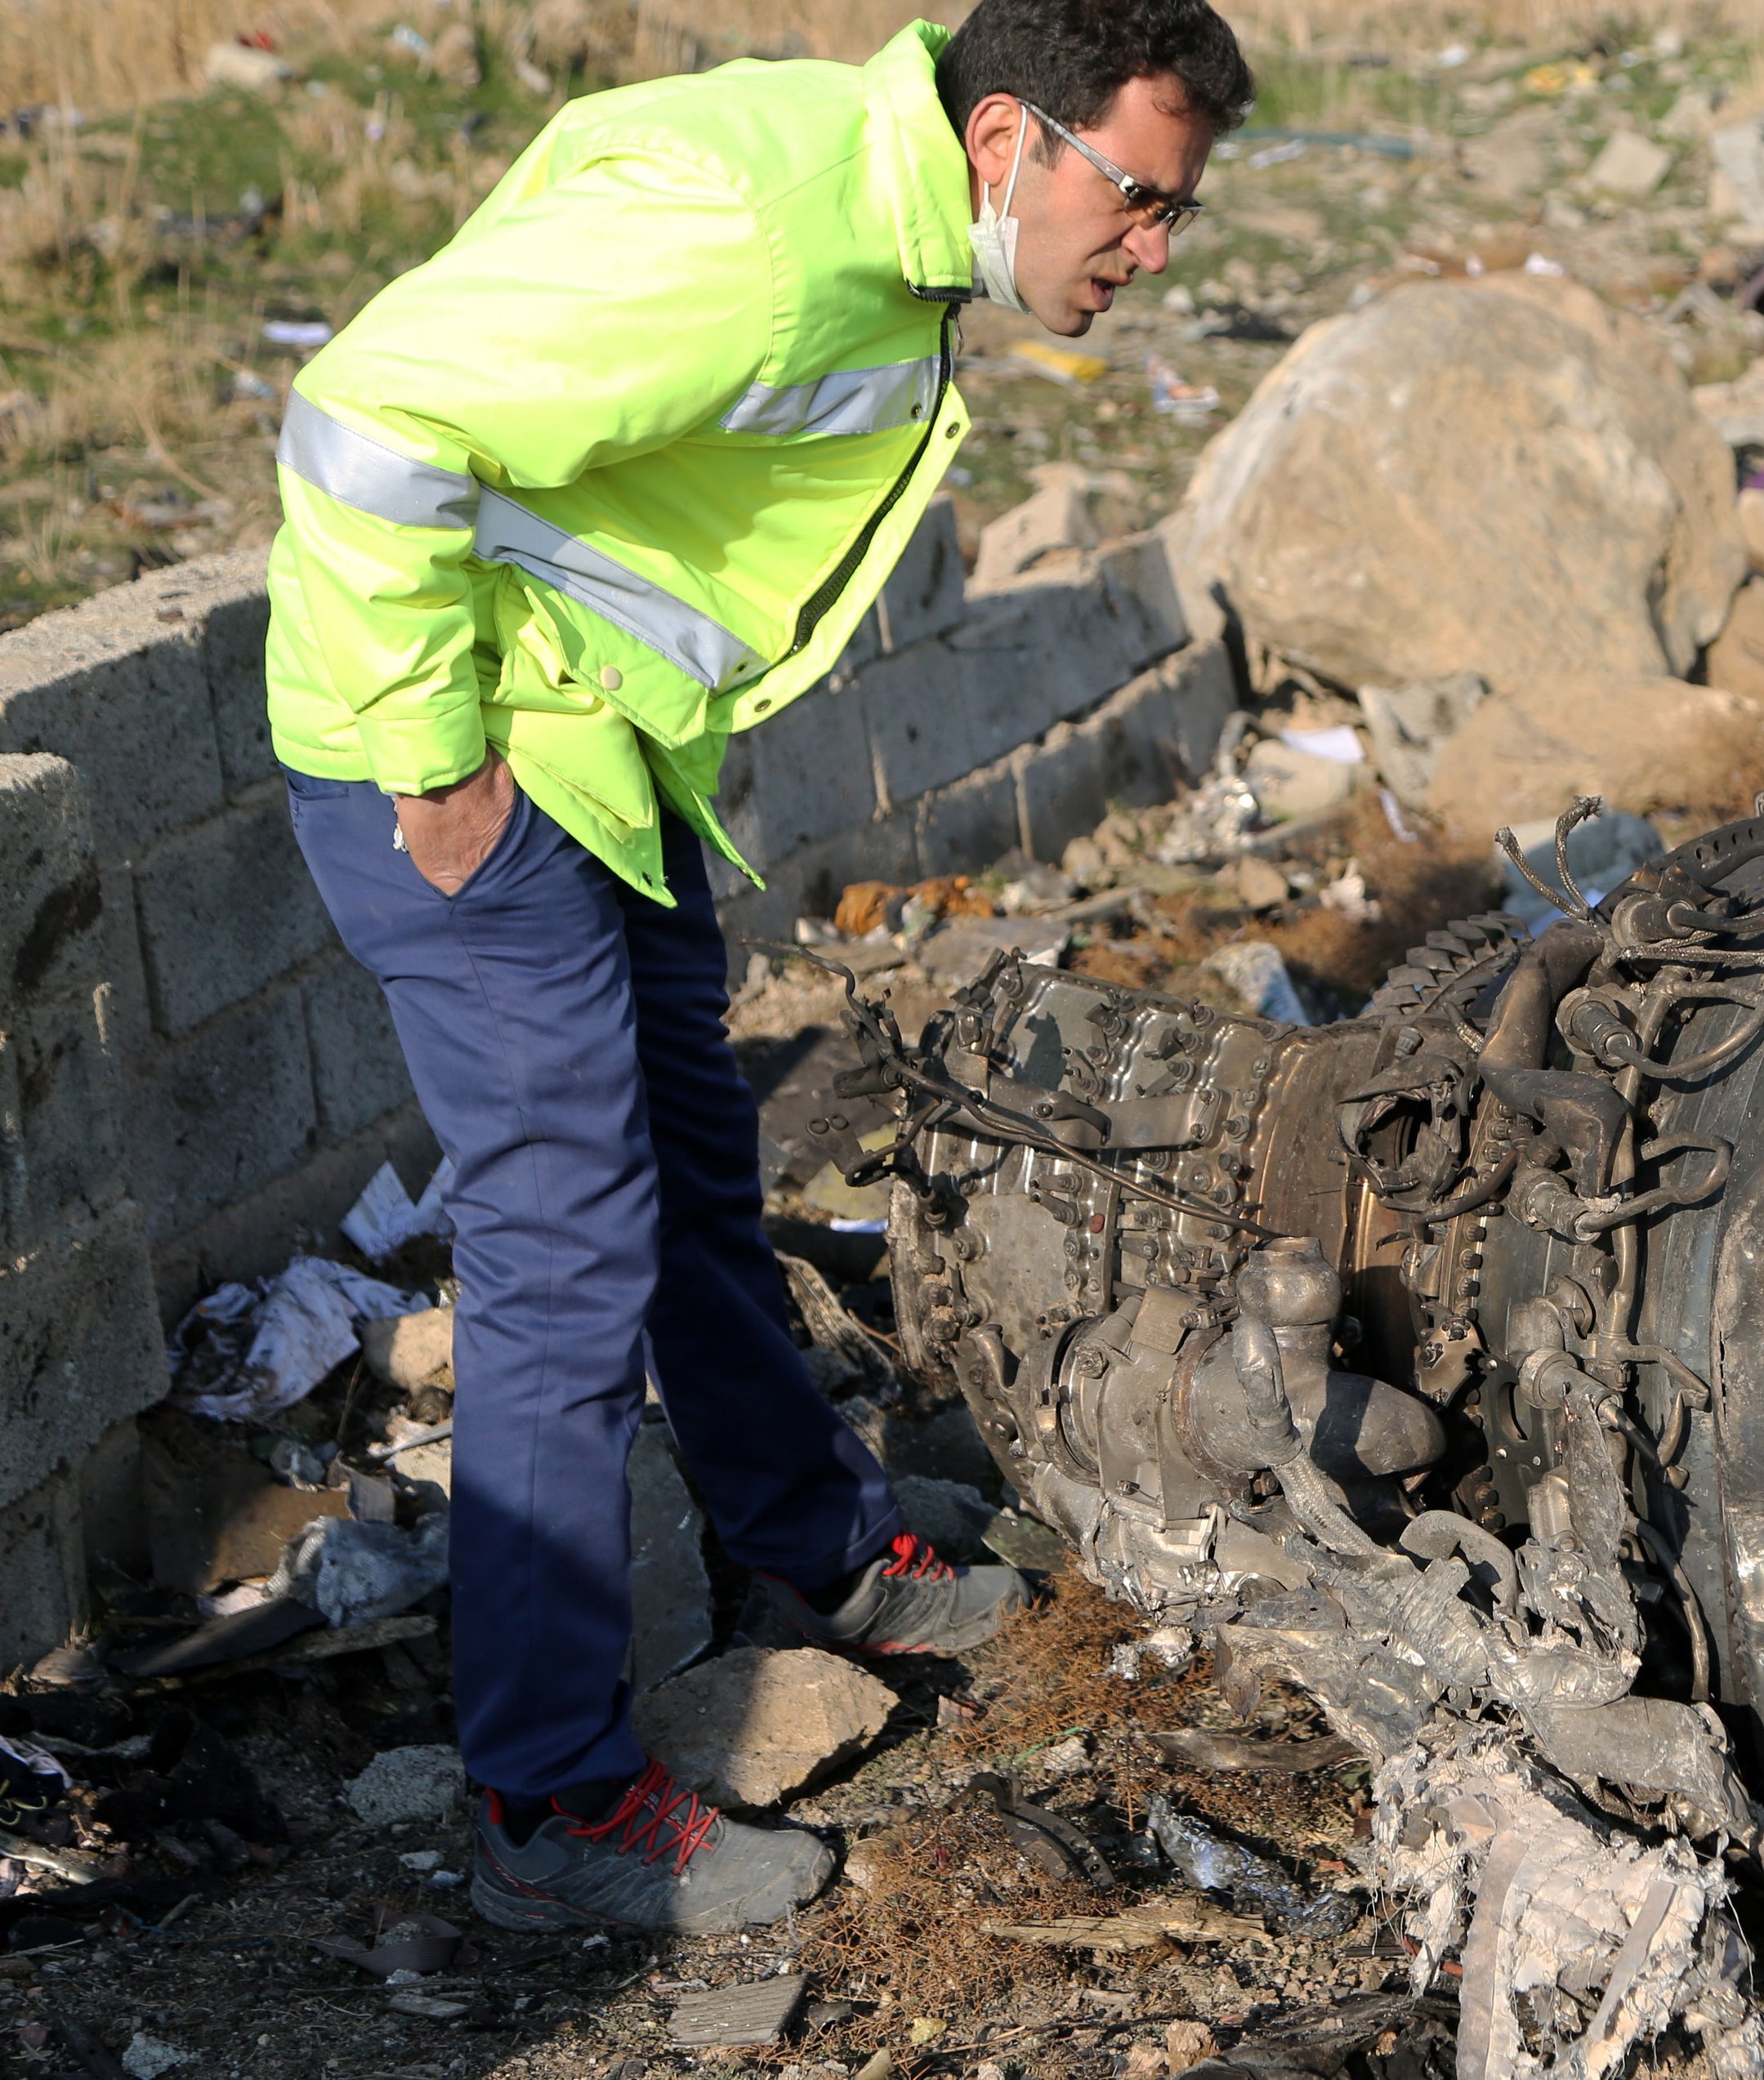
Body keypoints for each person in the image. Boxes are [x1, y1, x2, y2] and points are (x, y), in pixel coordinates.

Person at [264, 0, 1252, 1935]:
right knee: (565, 1251)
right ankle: (549, 1799)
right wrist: (436, 759)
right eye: (1137, 202)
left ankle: (819, 1538)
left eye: (1175, 216)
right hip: (464, 761)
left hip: (585, 747)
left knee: (698, 1168)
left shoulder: (876, 214)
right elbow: (363, 420)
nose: (1148, 252)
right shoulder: (760, 231)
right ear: (1003, 144)